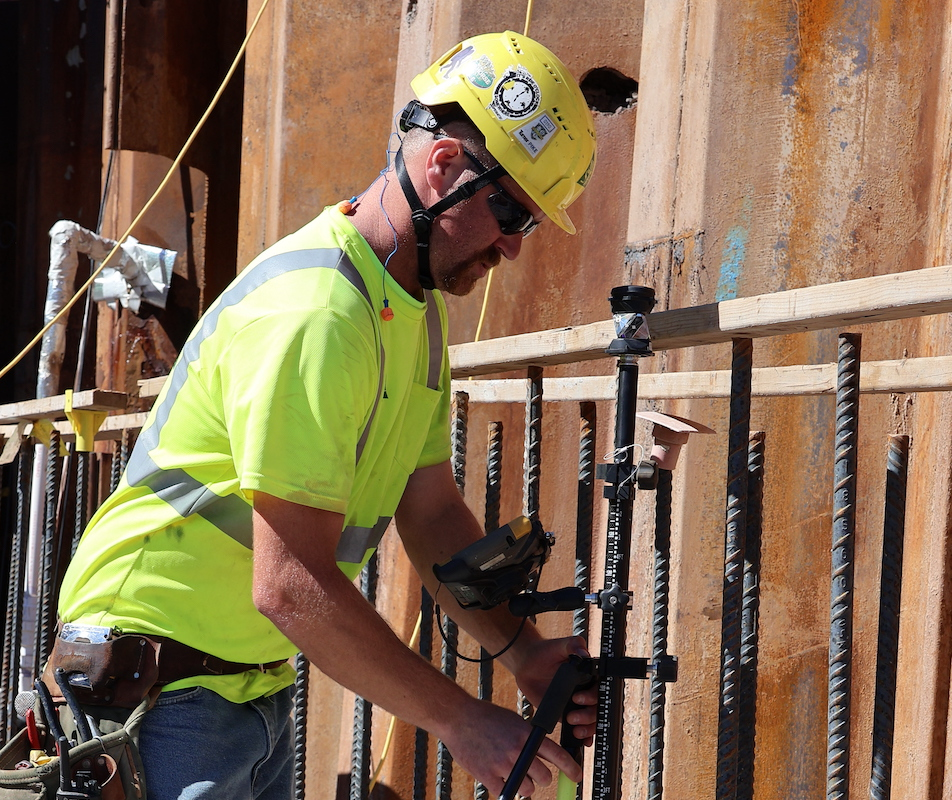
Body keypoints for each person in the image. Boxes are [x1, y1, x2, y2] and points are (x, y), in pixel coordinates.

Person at [55, 30, 599, 800]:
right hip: (155, 685)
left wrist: (522, 652)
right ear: (444, 166)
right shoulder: (317, 313)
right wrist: (462, 722)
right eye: (510, 210)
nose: (513, 245)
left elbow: (432, 511)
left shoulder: (413, 308)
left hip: (245, 686)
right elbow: (288, 584)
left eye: (530, 223)